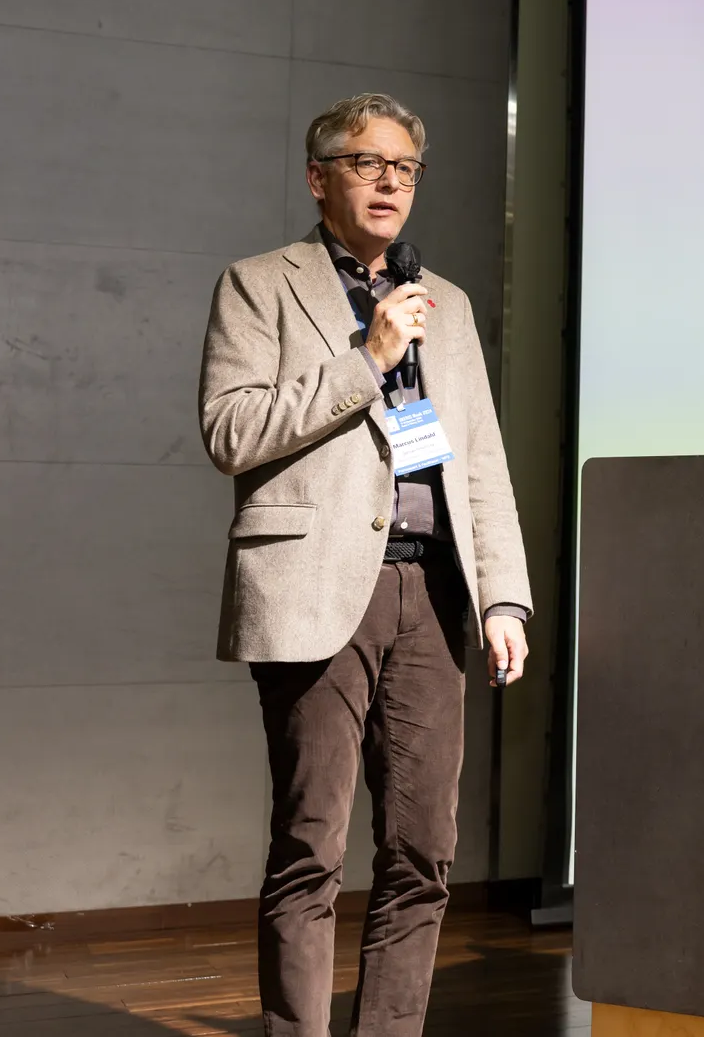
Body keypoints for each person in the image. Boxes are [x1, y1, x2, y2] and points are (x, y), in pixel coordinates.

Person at [198, 93, 532, 1036]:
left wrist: (504, 597)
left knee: (423, 851)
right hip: (315, 588)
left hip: (433, 591)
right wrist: (367, 357)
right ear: (319, 177)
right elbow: (231, 432)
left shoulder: (445, 304)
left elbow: (479, 459)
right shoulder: (259, 284)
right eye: (367, 163)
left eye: (406, 168)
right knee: (310, 847)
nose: (391, 182)